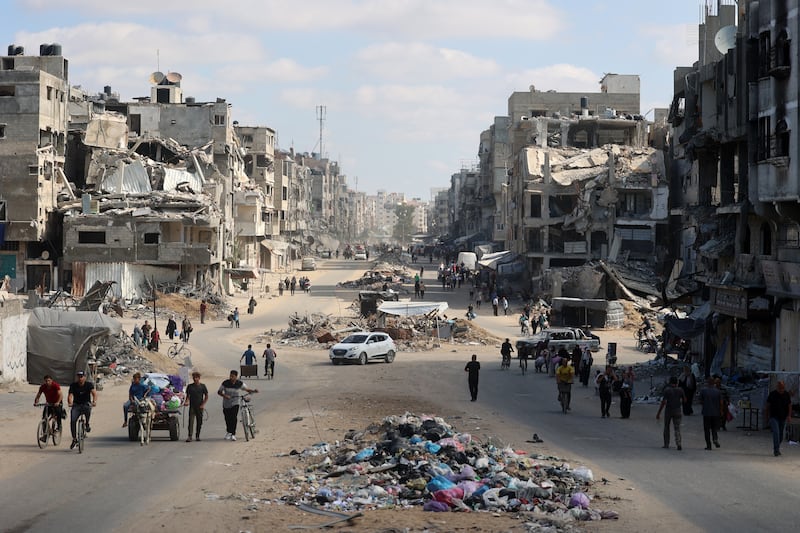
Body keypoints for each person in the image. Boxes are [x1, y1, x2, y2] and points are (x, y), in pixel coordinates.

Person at [218, 370, 258, 441]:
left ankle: (233, 434)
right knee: (227, 418)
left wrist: (253, 391)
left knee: (233, 417)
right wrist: (225, 395)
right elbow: (219, 392)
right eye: (230, 376)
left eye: (232, 376)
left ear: (236, 377)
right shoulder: (225, 383)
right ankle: (229, 432)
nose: (231, 377)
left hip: (235, 402)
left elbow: (247, 389)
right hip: (226, 403)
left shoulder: (239, 383)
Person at [68, 371, 97, 449]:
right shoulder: (73, 385)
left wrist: (94, 401)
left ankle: (87, 423)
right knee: (73, 421)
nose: (80, 378)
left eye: (82, 376)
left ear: (85, 377)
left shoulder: (89, 385)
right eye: (79, 377)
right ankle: (74, 439)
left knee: (88, 409)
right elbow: (70, 395)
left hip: (86, 404)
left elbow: (94, 393)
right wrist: (70, 402)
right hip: (76, 405)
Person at [656, 376, 686, 450]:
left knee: (667, 427)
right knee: (677, 428)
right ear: (677, 382)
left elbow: (663, 402)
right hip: (678, 410)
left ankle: (666, 444)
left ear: (670, 382)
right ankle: (678, 443)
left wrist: (659, 412)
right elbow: (685, 400)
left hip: (669, 410)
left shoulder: (667, 390)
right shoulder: (680, 390)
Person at [764, 380, 792, 456]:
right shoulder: (772, 394)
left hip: (783, 417)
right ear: (777, 388)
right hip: (774, 417)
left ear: (784, 388)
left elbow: (789, 406)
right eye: (780, 389)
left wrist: (789, 416)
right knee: (776, 433)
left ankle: (777, 447)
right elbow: (767, 406)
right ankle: (776, 450)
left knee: (781, 436)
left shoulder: (786, 395)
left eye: (782, 389)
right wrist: (766, 417)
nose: (781, 391)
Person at [699, 377, 723, 450]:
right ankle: (715, 439)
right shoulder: (718, 391)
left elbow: (700, 401)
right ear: (714, 383)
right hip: (715, 413)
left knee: (706, 429)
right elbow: (721, 403)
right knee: (714, 428)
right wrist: (721, 411)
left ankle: (708, 445)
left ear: (707, 382)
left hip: (706, 412)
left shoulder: (703, 390)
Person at [185, 371, 208, 442]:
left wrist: (203, 404)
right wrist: (187, 401)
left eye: (196, 377)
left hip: (200, 407)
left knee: (199, 421)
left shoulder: (202, 386)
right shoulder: (190, 386)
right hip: (192, 406)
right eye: (194, 377)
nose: (195, 379)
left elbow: (206, 396)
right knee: (191, 421)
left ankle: (197, 436)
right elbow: (188, 396)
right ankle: (190, 436)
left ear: (199, 378)